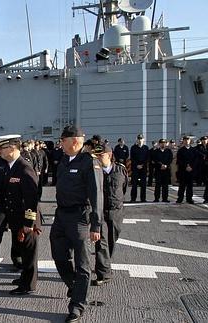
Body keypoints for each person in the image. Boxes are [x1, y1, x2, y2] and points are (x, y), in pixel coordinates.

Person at [50, 125, 103, 323]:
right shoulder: (64, 159)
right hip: (61, 214)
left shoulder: (90, 162)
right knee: (58, 255)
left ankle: (77, 306)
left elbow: (97, 195)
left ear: (74, 141)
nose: (60, 144)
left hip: (80, 216)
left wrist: (96, 226)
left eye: (63, 140)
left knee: (82, 264)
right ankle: (75, 285)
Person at [0, 136, 40, 295]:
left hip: (26, 221)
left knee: (29, 255)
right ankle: (25, 279)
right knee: (23, 251)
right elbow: (0, 191)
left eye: (3, 148)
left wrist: (29, 222)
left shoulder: (24, 168)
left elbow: (32, 198)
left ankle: (28, 285)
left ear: (13, 149)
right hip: (16, 218)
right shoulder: (10, 167)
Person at [92, 144, 128, 287]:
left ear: (109, 155)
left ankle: (104, 265)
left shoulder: (121, 170)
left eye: (101, 155)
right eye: (96, 155)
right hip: (100, 211)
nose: (98, 158)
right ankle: (104, 273)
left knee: (112, 240)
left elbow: (123, 189)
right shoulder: (95, 171)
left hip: (116, 211)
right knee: (101, 242)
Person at [176, 135, 196, 204]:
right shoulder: (181, 150)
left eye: (188, 140)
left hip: (191, 170)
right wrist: (185, 166)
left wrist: (191, 167)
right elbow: (179, 161)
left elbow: (196, 160)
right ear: (183, 141)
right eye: (185, 140)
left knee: (190, 186)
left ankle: (189, 198)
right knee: (182, 185)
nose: (186, 141)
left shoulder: (193, 150)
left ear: (190, 141)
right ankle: (180, 198)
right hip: (183, 171)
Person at [130, 134, 149, 202]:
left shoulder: (146, 148)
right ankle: (133, 198)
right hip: (135, 168)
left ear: (143, 139)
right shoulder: (133, 147)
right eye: (138, 139)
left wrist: (142, 165)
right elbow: (132, 158)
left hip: (143, 168)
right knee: (134, 184)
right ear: (137, 139)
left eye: (141, 139)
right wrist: (137, 165)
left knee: (143, 185)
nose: (140, 140)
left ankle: (143, 199)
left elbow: (147, 158)